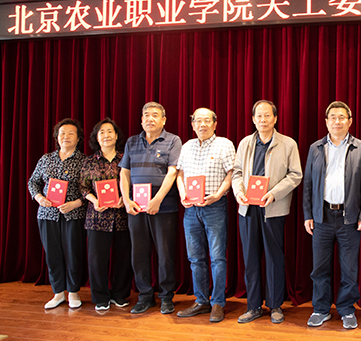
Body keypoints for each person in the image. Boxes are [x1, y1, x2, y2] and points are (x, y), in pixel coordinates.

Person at [303, 101, 361, 330]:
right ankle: (321, 309)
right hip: (321, 216)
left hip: (349, 217)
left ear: (350, 121)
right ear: (326, 122)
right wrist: (308, 214)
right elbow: (308, 184)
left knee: (349, 268)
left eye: (342, 117)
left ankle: (346, 309)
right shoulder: (315, 148)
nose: (337, 121)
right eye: (332, 117)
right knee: (319, 268)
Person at [232, 100, 302, 324]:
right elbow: (236, 172)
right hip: (248, 208)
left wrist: (274, 193)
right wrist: (238, 192)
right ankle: (253, 306)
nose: (263, 120)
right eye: (259, 116)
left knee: (274, 257)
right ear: (253, 119)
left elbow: (295, 175)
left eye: (267, 116)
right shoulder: (245, 143)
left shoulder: (288, 144)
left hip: (273, 207)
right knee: (250, 257)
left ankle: (275, 305)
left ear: (275, 118)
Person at [119, 102, 181, 315]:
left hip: (164, 207)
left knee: (165, 253)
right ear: (141, 120)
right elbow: (124, 172)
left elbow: (173, 172)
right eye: (146, 115)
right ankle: (145, 296)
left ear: (164, 120)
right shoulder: (131, 142)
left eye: (155, 115)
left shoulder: (173, 140)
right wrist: (126, 199)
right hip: (136, 208)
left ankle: (166, 297)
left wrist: (157, 199)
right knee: (139, 253)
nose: (149, 119)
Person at [176, 108, 235, 323]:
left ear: (215, 123)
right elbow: (180, 174)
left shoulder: (224, 144)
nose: (202, 124)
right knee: (195, 258)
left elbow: (232, 173)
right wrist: (182, 194)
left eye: (207, 120)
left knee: (217, 257)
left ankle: (217, 302)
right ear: (192, 124)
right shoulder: (186, 146)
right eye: (198, 121)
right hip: (191, 209)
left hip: (214, 207)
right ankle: (201, 301)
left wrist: (218, 194)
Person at [28, 118, 86, 309]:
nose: (66, 136)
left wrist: (75, 203)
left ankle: (73, 292)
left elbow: (91, 189)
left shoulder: (84, 161)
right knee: (52, 254)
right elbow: (33, 182)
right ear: (56, 136)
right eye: (62, 133)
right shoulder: (46, 159)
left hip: (73, 215)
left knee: (73, 253)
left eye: (71, 133)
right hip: (47, 214)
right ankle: (58, 292)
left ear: (78, 138)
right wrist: (39, 198)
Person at [79, 118, 132, 312]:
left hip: (122, 216)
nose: (106, 135)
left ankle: (120, 294)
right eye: (102, 132)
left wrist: (125, 198)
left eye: (110, 131)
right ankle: (100, 297)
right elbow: (83, 187)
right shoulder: (88, 162)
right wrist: (94, 200)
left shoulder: (125, 158)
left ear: (116, 136)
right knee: (97, 260)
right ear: (96, 137)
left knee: (124, 258)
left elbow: (134, 182)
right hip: (96, 217)